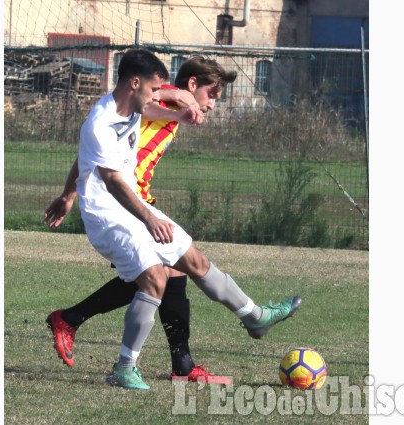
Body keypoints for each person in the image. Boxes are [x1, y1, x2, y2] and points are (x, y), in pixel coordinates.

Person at [46, 48, 301, 390]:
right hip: (115, 208)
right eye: (211, 95)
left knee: (189, 262)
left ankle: (255, 318)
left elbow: (137, 112)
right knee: (154, 278)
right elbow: (112, 173)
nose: (211, 104)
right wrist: (178, 95)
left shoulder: (140, 108)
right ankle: (123, 362)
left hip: (133, 199)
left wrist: (67, 194)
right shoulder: (112, 116)